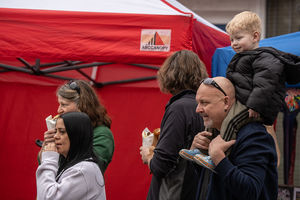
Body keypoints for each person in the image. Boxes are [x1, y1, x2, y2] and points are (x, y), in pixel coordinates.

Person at [139, 49, 208, 200]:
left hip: (173, 192)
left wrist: (148, 155)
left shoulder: (178, 108)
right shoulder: (203, 106)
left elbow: (162, 165)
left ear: (169, 74)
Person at [194, 77, 278, 200]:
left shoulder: (254, 136)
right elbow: (209, 185)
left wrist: (219, 158)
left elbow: (251, 191)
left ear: (226, 102)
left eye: (204, 103)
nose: (198, 109)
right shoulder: (215, 133)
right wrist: (198, 154)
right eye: (198, 103)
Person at [38, 80, 114, 174]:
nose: (59, 110)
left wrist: (64, 144)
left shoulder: (102, 134)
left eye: (64, 104)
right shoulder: (66, 130)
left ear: (82, 105)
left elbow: (91, 168)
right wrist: (48, 145)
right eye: (59, 104)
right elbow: (45, 166)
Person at [36, 112, 106, 200]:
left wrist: (49, 160)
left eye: (62, 132)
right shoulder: (75, 165)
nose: (56, 136)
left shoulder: (83, 171)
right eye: (56, 131)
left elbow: (47, 197)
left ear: (77, 135)